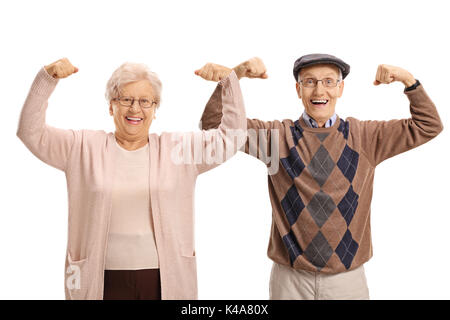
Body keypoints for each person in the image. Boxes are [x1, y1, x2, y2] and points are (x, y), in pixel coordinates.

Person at [196, 54, 443, 300]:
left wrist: (407, 80)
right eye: (310, 82)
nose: (319, 90)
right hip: (290, 280)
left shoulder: (365, 137)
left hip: (347, 280)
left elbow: (428, 125)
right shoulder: (277, 138)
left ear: (340, 88)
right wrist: (233, 76)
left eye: (328, 81)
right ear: (298, 89)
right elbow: (213, 125)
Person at [17, 58, 246, 300]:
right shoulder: (82, 147)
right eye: (125, 99)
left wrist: (228, 82)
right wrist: (46, 78)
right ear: (111, 106)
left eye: (145, 101)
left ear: (155, 109)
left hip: (163, 281)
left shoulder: (178, 150)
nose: (135, 109)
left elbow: (231, 138)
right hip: (100, 282)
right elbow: (30, 131)